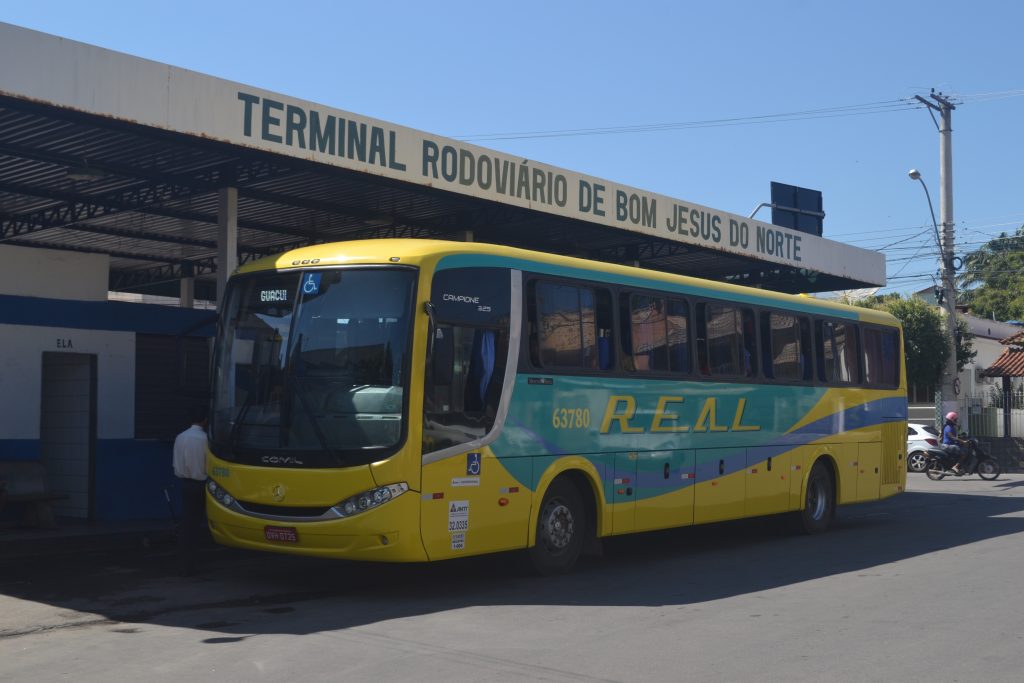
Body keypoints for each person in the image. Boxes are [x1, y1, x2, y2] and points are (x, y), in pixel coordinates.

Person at [173, 405, 209, 575]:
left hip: (185, 483)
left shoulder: (180, 437)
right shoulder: (205, 440)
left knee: (187, 524)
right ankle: (192, 564)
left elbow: (176, 464)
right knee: (198, 525)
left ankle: (183, 563)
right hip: (202, 484)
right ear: (205, 420)